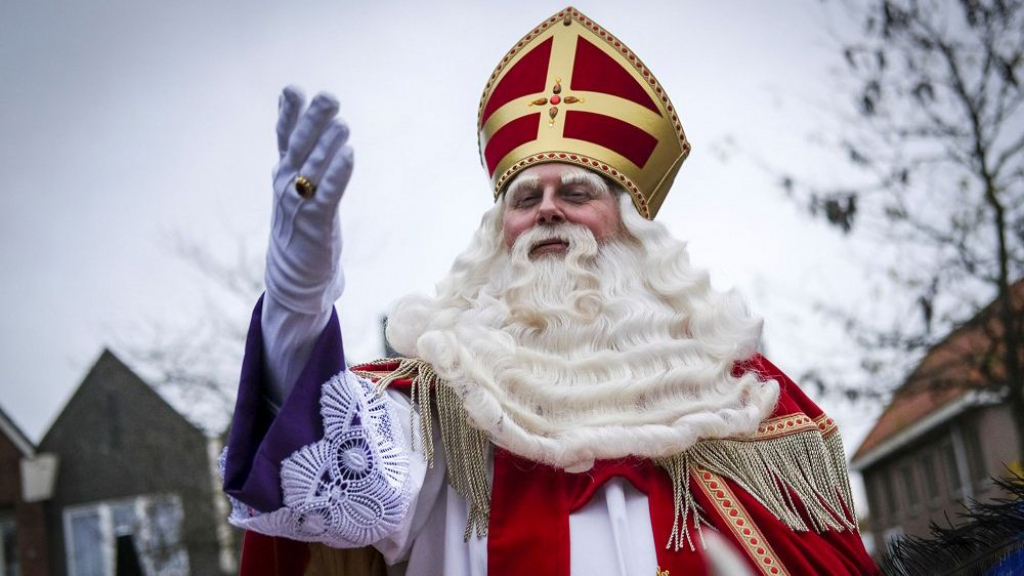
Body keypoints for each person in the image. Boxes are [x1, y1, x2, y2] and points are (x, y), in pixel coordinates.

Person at [221, 7, 881, 575]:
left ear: (634, 231)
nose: (547, 210)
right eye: (525, 197)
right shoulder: (436, 407)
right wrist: (297, 296)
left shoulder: (740, 405)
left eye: (576, 192)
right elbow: (320, 467)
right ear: (497, 234)